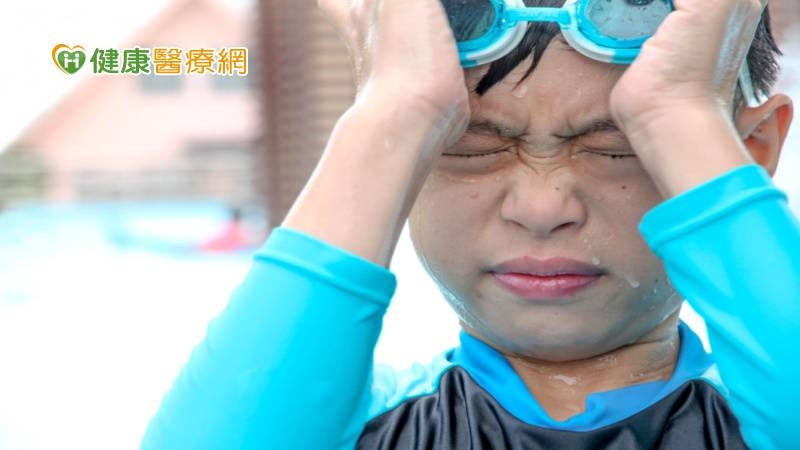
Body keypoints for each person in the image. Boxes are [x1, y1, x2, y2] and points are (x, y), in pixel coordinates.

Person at [140, 0, 799, 448]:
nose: (542, 207)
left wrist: (677, 112)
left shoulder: (761, 419)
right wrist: (394, 112)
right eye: (471, 146)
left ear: (751, 152)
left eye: (620, 147)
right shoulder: (356, 430)